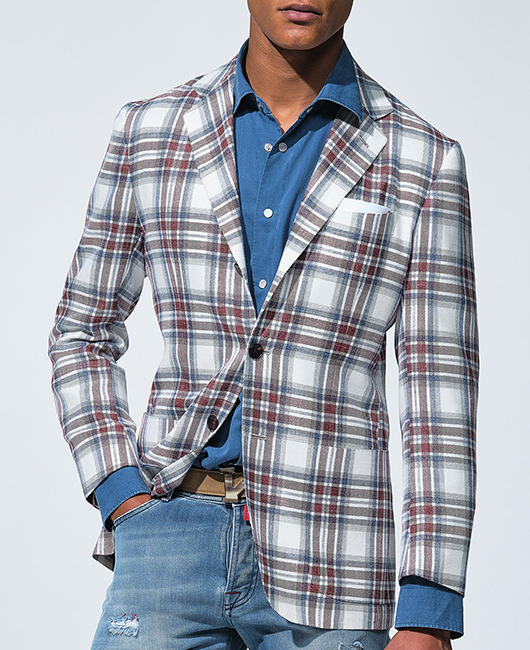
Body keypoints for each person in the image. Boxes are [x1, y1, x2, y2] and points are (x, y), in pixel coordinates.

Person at [49, 1, 478, 649]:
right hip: (168, 529)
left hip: (334, 553)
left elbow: (440, 392)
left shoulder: (421, 157)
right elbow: (82, 331)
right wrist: (120, 491)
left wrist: (428, 608)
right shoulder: (151, 129)